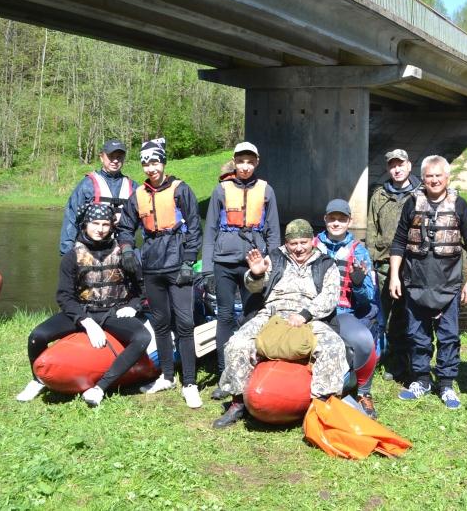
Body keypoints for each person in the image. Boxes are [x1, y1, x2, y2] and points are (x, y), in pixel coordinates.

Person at [212, 219, 348, 429]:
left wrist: (305, 314)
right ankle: (238, 402)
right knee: (236, 343)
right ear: (287, 243)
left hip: (309, 316)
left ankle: (320, 406)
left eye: (303, 242)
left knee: (334, 347)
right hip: (272, 313)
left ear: (312, 240)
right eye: (294, 243)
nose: (299, 248)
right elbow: (255, 288)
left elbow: (330, 297)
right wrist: (255, 274)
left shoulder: (325, 263)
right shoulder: (275, 258)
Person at [16, 203, 150, 406]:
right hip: (82, 311)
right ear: (85, 224)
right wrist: (86, 321)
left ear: (112, 226)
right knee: (37, 336)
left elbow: (141, 288)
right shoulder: (72, 257)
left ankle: (100, 388)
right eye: (95, 223)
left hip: (113, 312)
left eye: (105, 224)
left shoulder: (124, 254)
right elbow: (64, 296)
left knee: (142, 337)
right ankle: (37, 380)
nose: (100, 229)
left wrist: (133, 306)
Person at [116, 137, 203, 409]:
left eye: (155, 162)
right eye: (146, 163)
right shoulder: (138, 195)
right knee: (161, 324)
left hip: (178, 264)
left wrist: (190, 260)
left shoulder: (180, 189)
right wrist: (128, 250)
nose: (151, 168)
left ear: (163, 162)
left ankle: (189, 382)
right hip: (152, 266)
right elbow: (126, 227)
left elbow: (194, 227)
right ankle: (167, 375)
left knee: (185, 324)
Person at [388, 155, 467, 409]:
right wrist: (394, 275)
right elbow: (398, 242)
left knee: (449, 336)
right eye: (429, 176)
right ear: (423, 178)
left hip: (448, 286)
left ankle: (446, 384)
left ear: (447, 178)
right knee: (417, 335)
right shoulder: (411, 204)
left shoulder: (460, 205)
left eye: (439, 175)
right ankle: (421, 379)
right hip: (415, 282)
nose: (434, 180)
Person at [200, 141, 281, 398]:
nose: (245, 166)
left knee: (252, 315)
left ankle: (249, 370)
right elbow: (210, 229)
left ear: (256, 162)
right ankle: (225, 374)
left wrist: (273, 262)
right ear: (234, 162)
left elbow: (273, 231)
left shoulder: (267, 191)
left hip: (253, 263)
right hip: (224, 261)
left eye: (250, 161)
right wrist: (207, 268)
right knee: (224, 316)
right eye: (240, 161)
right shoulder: (220, 190)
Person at [316, 198, 380, 418]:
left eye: (341, 219)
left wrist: (359, 283)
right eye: (332, 218)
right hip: (314, 311)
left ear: (349, 221)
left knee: (364, 341)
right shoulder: (312, 246)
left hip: (343, 312)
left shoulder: (359, 251)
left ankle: (364, 392)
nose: (336, 223)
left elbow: (368, 298)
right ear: (325, 220)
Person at [366, 148, 420, 382]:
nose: (396, 169)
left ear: (409, 166)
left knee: (405, 316)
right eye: (392, 165)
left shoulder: (421, 194)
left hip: (412, 265)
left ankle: (402, 363)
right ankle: (373, 359)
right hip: (382, 265)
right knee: (378, 314)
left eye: (401, 164)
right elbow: (371, 230)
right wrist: (369, 263)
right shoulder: (378, 195)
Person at [59, 139, 136, 255]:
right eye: (111, 156)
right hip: (90, 251)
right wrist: (67, 253)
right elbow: (71, 218)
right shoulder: (87, 184)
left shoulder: (133, 187)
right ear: (102, 157)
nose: (115, 160)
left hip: (122, 250)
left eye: (119, 157)